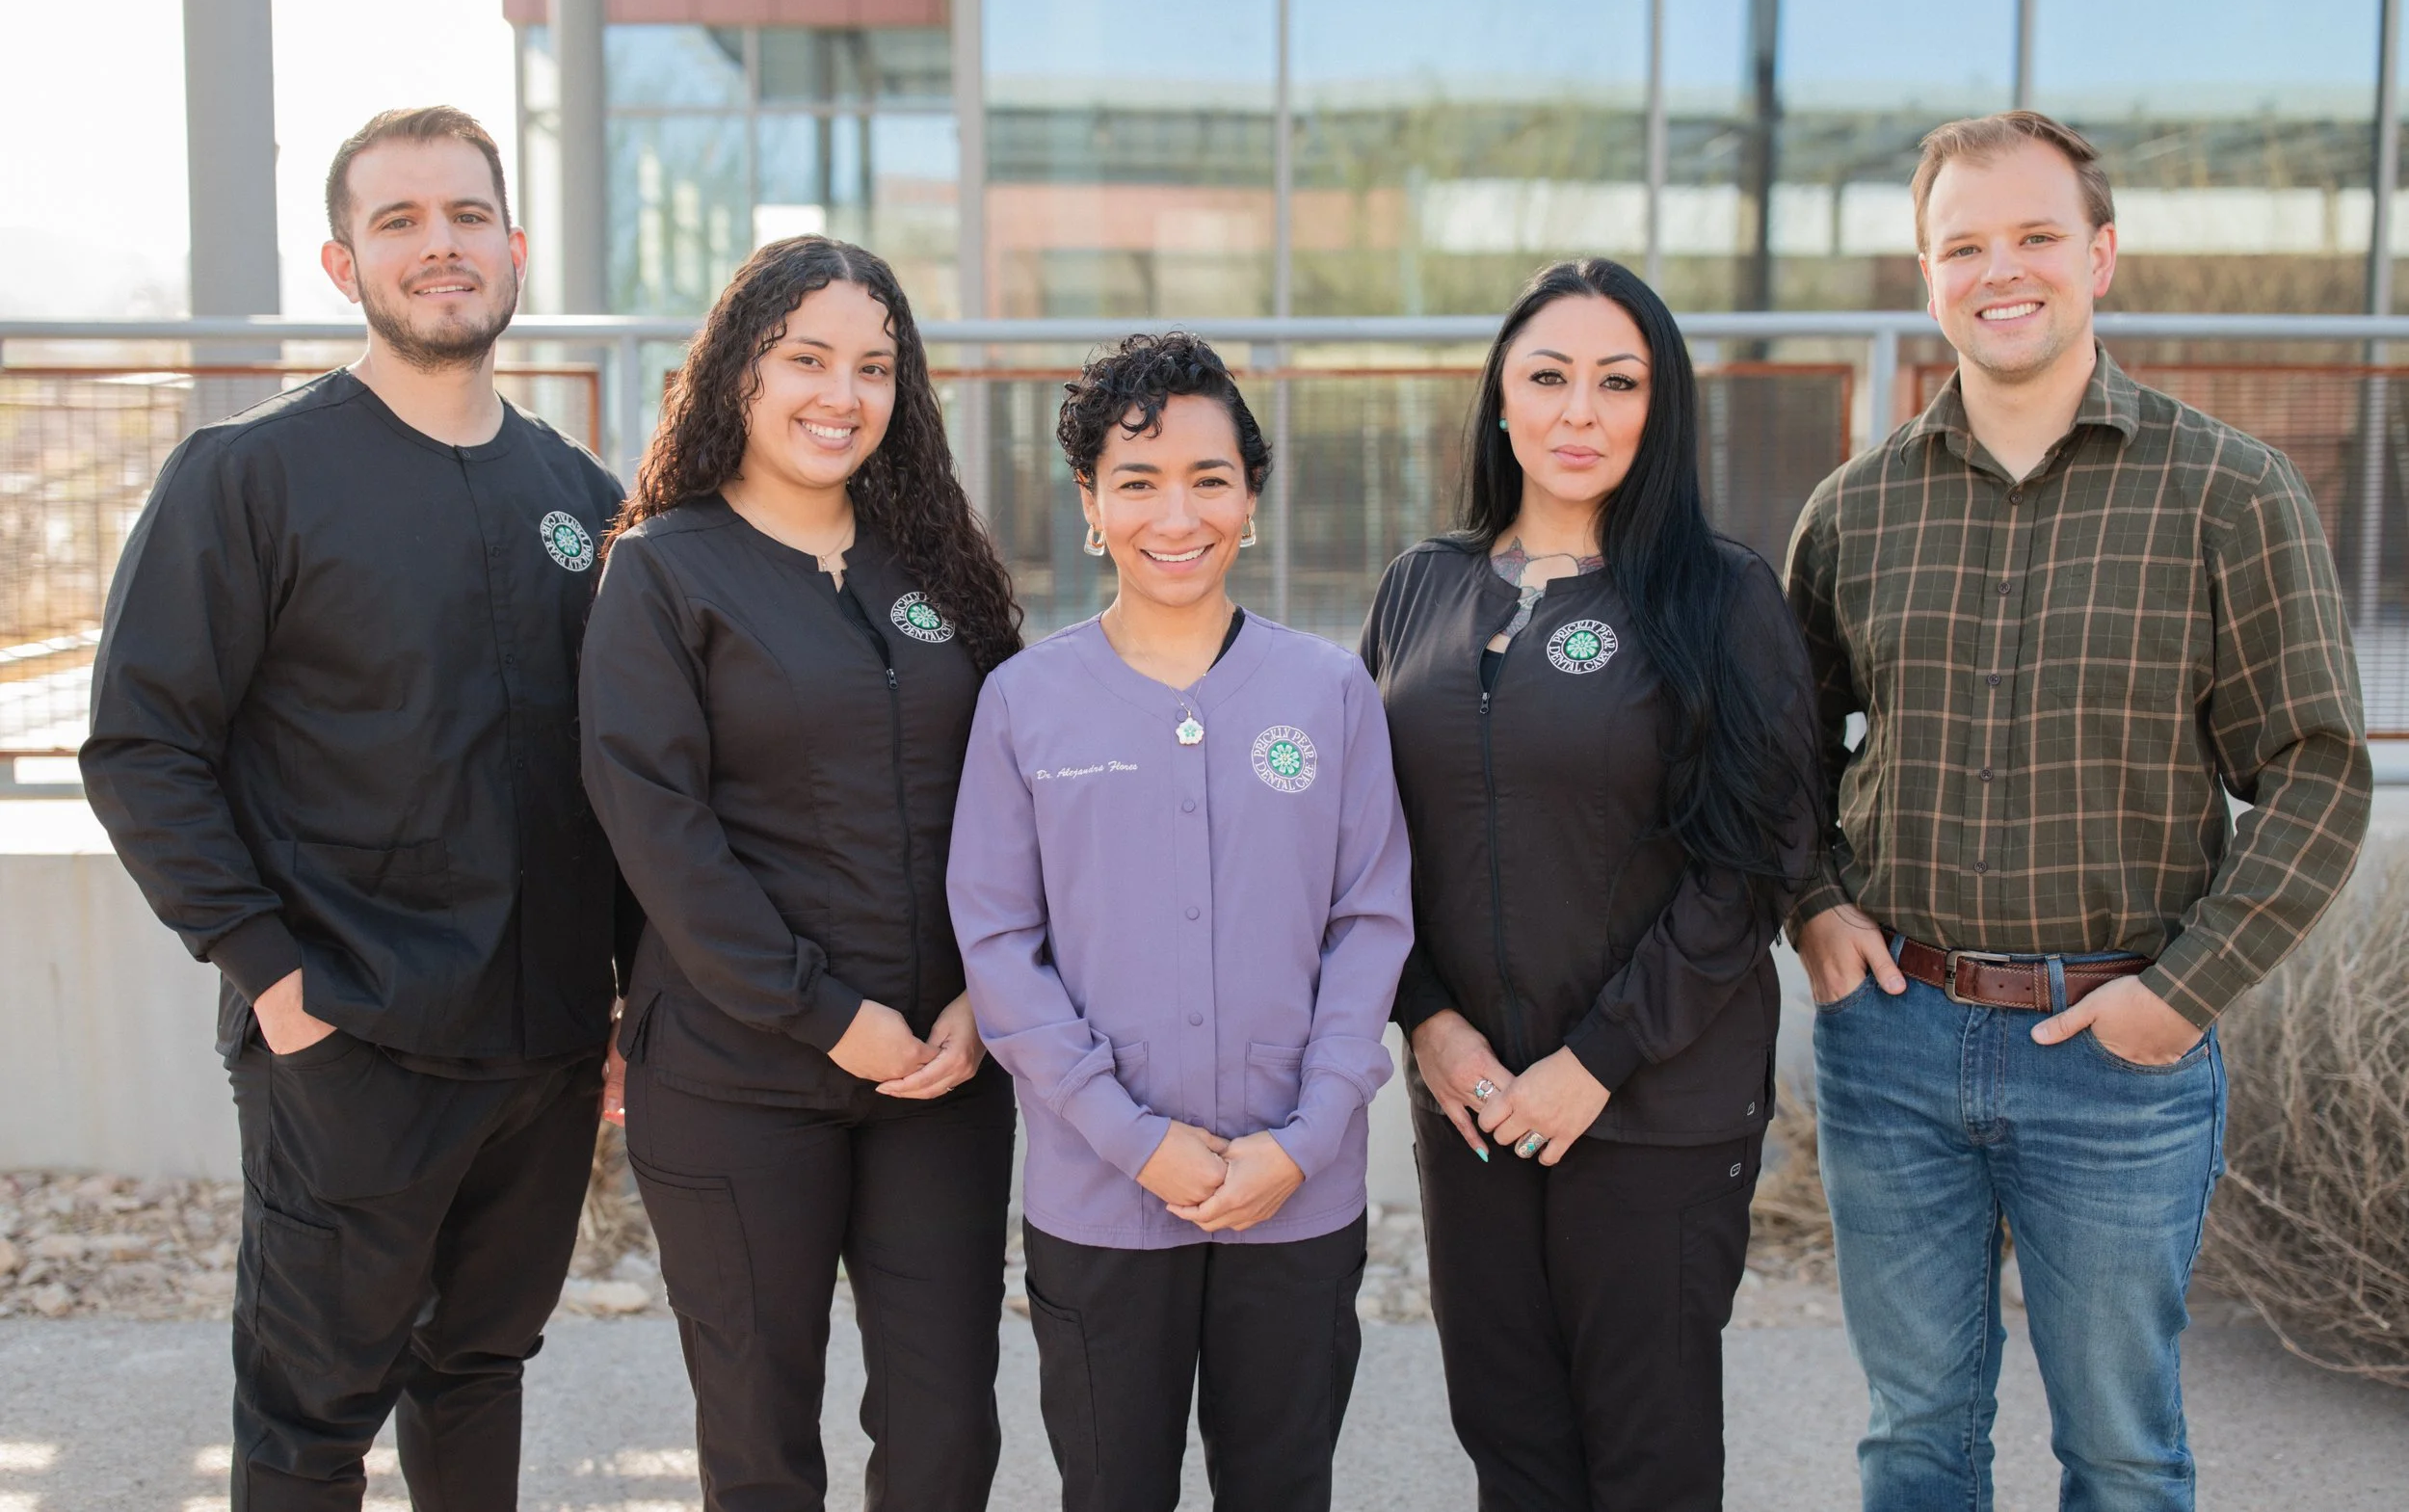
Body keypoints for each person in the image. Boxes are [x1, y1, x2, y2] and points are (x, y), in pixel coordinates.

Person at [1786, 111, 2371, 1511]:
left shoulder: (2229, 491)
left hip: (2120, 1056)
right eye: (1964, 244)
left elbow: (2316, 769)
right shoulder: (1852, 514)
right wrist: (1809, 904)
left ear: (2100, 255)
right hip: (1895, 1043)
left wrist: (2184, 994)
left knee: (2119, 1447)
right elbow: (1777, 760)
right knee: (1914, 1436)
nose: (2004, 269)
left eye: (2037, 235)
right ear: (1928, 277)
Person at [80, 107, 624, 1509]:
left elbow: (627, 778)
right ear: (342, 264)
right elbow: (143, 745)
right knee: (310, 1417)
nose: (437, 246)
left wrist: (624, 999)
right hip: (349, 1030)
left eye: (463, 216)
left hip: (545, 1048)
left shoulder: (585, 501)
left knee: (483, 1367)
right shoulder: (248, 478)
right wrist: (273, 978)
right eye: (398, 221)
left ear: (515, 247)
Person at [1360, 258, 1820, 1511]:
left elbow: (1754, 860)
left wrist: (1600, 1058)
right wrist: (1433, 1022)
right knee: (1510, 1439)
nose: (1580, 409)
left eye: (1618, 381)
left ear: (1659, 407)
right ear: (1499, 402)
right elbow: (1360, 843)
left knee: (1646, 1453)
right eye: (1548, 376)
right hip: (1474, 1102)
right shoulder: (1420, 588)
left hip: (1654, 1105)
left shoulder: (1721, 595)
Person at [579, 235, 1022, 1512]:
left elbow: (1016, 795)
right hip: (738, 1071)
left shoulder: (936, 568)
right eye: (807, 357)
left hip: (942, 1065)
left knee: (946, 1432)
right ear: (736, 375)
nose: (843, 392)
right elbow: (659, 830)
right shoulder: (661, 568)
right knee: (762, 1441)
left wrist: (987, 993)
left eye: (874, 365)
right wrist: (831, 1015)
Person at [947, 332, 1412, 1512]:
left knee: (1280, 1484)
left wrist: (1303, 1139)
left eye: (1210, 477)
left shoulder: (1328, 692)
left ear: (1251, 499)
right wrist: (1129, 1134)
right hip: (1100, 1196)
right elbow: (999, 946)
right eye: (1138, 479)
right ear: (1092, 504)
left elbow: (1370, 922)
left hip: (1295, 1191)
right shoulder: (1024, 703)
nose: (1177, 511)